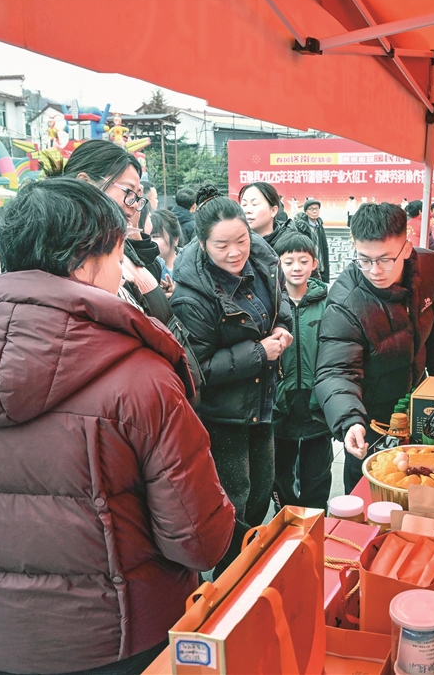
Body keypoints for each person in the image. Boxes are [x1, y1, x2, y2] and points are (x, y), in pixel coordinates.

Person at [0, 177, 234, 675]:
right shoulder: (141, 377)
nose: (123, 269)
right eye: (119, 254)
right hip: (122, 639)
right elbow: (197, 539)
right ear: (86, 261)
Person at [170, 185, 293, 572]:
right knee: (232, 503)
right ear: (203, 244)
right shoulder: (191, 296)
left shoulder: (263, 261)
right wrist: (259, 352)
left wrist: (283, 329)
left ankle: (250, 569)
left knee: (261, 491)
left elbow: (282, 304)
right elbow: (199, 368)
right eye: (222, 246)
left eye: (241, 240)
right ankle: (229, 580)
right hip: (224, 416)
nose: (235, 252)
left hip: (262, 402)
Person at [315, 202, 434, 493]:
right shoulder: (346, 299)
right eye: (364, 260)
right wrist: (350, 421)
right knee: (370, 490)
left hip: (418, 401)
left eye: (385, 259)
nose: (375, 271)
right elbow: (336, 370)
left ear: (406, 248)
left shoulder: (432, 269)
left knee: (424, 483)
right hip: (371, 414)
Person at [52, 140, 168, 318]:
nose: (134, 204)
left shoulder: (111, 238)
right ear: (85, 182)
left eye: (138, 196)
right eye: (128, 192)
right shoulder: (63, 249)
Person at [271, 231, 332, 511]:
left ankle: (317, 524)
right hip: (280, 406)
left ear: (314, 263)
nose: (296, 267)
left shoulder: (328, 302)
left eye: (303, 261)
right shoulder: (271, 303)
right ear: (278, 265)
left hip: (317, 406)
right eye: (288, 262)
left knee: (317, 475)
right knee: (280, 476)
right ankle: (286, 523)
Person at [240, 181, 286, 249]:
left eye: (255, 204)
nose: (247, 211)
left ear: (273, 210)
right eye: (244, 204)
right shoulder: (236, 244)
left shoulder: (290, 244)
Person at [150, 208, 181, 284]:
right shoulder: (145, 269)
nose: (150, 241)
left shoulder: (190, 265)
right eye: (146, 236)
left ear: (175, 239)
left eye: (155, 236)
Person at [303, 199, 331, 280]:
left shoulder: (320, 226)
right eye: (311, 209)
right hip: (308, 268)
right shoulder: (302, 227)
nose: (314, 211)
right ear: (306, 212)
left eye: (316, 208)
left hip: (320, 266)